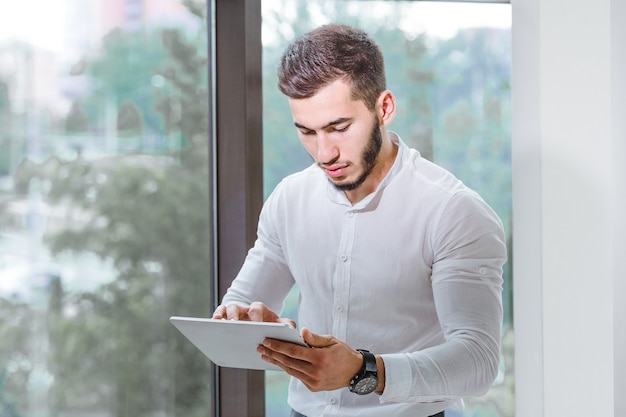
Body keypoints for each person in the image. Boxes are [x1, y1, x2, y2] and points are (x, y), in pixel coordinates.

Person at [212, 23, 507, 417]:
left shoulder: (453, 212)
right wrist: (245, 322)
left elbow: (478, 360)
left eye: (339, 128)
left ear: (383, 108)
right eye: (307, 131)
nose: (324, 153)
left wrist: (365, 370)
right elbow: (239, 305)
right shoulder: (289, 199)